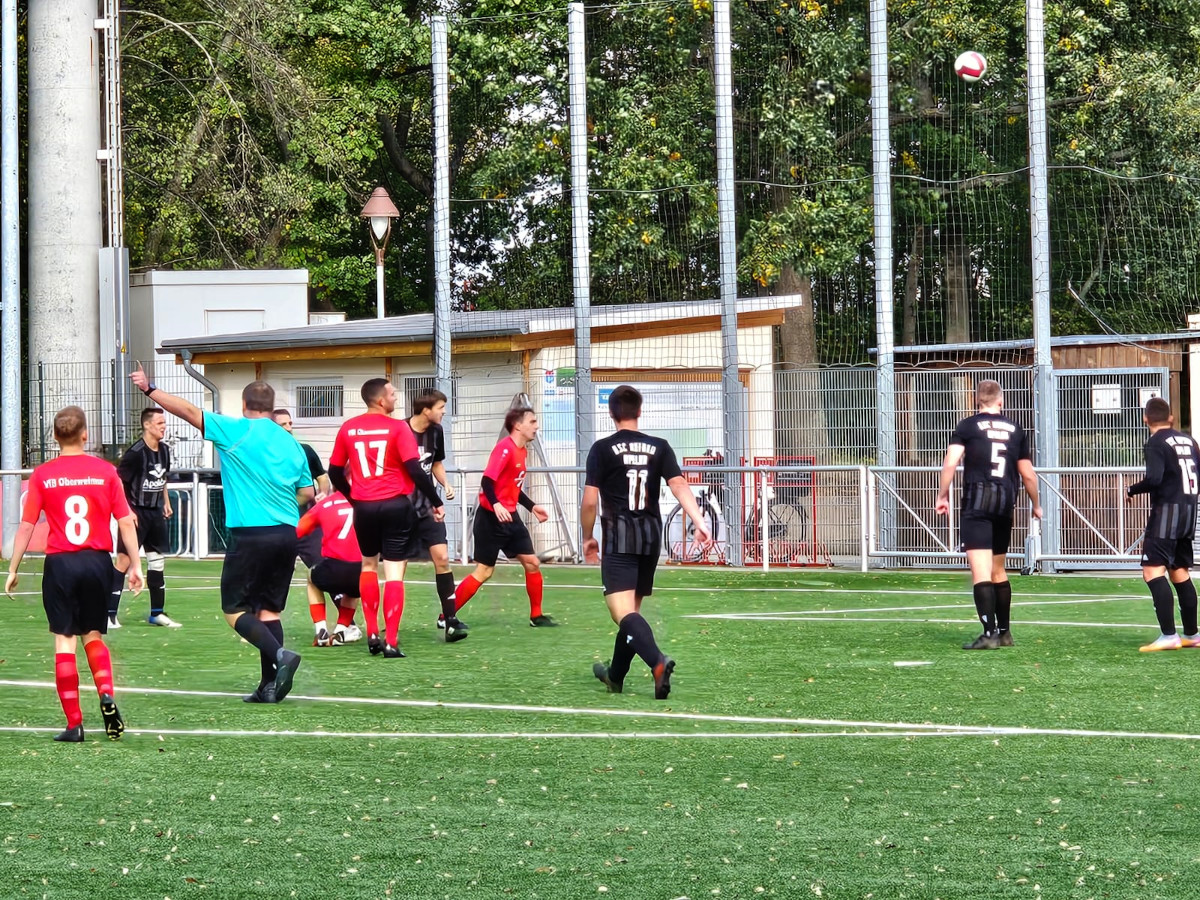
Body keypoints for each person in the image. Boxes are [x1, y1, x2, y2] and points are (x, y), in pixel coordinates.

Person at [131, 365, 312, 703]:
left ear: (245, 405)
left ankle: (281, 655)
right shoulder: (292, 445)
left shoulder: (236, 430)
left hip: (251, 534)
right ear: (272, 409)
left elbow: (188, 411)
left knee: (234, 611)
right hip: (287, 534)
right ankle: (269, 687)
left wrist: (149, 388)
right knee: (269, 611)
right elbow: (307, 494)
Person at [5, 406, 144, 741]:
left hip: (61, 564)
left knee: (64, 641)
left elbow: (26, 526)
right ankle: (106, 694)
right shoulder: (106, 471)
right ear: (85, 435)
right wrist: (136, 565)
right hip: (97, 562)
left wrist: (13, 568)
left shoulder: (43, 474)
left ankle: (74, 724)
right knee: (93, 635)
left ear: (54, 437)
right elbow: (126, 520)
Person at [582, 385, 711, 700]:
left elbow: (589, 502)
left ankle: (657, 662)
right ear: (639, 412)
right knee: (632, 615)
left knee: (621, 614)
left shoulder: (601, 448)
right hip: (651, 537)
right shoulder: (661, 446)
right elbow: (679, 484)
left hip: (620, 535)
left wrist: (587, 537)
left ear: (612, 413)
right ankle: (615, 676)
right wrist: (699, 520)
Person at [328, 378, 446, 658]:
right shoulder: (397, 427)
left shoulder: (348, 427)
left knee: (368, 565)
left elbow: (334, 472)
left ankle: (371, 632)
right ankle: (390, 640)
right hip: (395, 505)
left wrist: (352, 497)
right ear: (381, 400)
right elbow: (416, 471)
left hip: (364, 507)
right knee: (394, 572)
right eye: (393, 394)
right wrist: (436, 501)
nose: (397, 397)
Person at [935, 379, 1042, 649]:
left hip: (978, 504)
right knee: (998, 570)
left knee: (981, 572)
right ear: (1001, 401)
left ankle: (989, 634)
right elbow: (1027, 473)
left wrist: (942, 494)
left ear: (977, 401)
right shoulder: (1015, 429)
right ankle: (1005, 633)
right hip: (1005, 503)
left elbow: (951, 461)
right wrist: (1036, 504)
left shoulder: (968, 426)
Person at [450, 406, 556, 627]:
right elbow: (487, 482)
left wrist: (532, 506)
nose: (537, 426)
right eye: (533, 422)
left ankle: (536, 616)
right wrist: (496, 505)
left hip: (510, 517)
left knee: (532, 562)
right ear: (518, 425)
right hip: (490, 519)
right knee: (484, 571)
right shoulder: (504, 449)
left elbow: (512, 486)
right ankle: (446, 616)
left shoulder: (522, 450)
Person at [1127, 396, 1200, 651]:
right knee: (1180, 572)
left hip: (1166, 514)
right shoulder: (1190, 441)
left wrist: (1132, 489)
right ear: (1170, 418)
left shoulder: (1156, 442)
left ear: (1146, 419)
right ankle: (1192, 634)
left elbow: (1155, 478)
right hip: (1189, 512)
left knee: (1152, 572)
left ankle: (1169, 636)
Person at [405, 388, 466, 642]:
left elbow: (436, 463)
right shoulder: (400, 431)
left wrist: (446, 484)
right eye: (441, 407)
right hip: (401, 508)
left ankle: (450, 620)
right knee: (397, 566)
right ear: (426, 409)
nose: (444, 412)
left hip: (429, 507)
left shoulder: (436, 432)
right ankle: (387, 622)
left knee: (442, 558)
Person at [110, 406, 179, 629]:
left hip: (155, 513)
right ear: (147, 425)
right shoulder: (135, 453)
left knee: (157, 562)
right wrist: (126, 511)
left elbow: (163, 478)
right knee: (123, 561)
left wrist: (166, 501)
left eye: (164, 423)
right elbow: (119, 482)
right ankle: (109, 614)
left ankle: (157, 613)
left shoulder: (165, 450)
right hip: (136, 514)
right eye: (160, 423)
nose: (163, 427)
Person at [297, 491, 364, 646]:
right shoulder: (368, 502)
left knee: (311, 579)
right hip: (360, 569)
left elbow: (300, 530)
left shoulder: (326, 504)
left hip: (332, 567)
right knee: (354, 590)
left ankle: (321, 629)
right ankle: (341, 630)